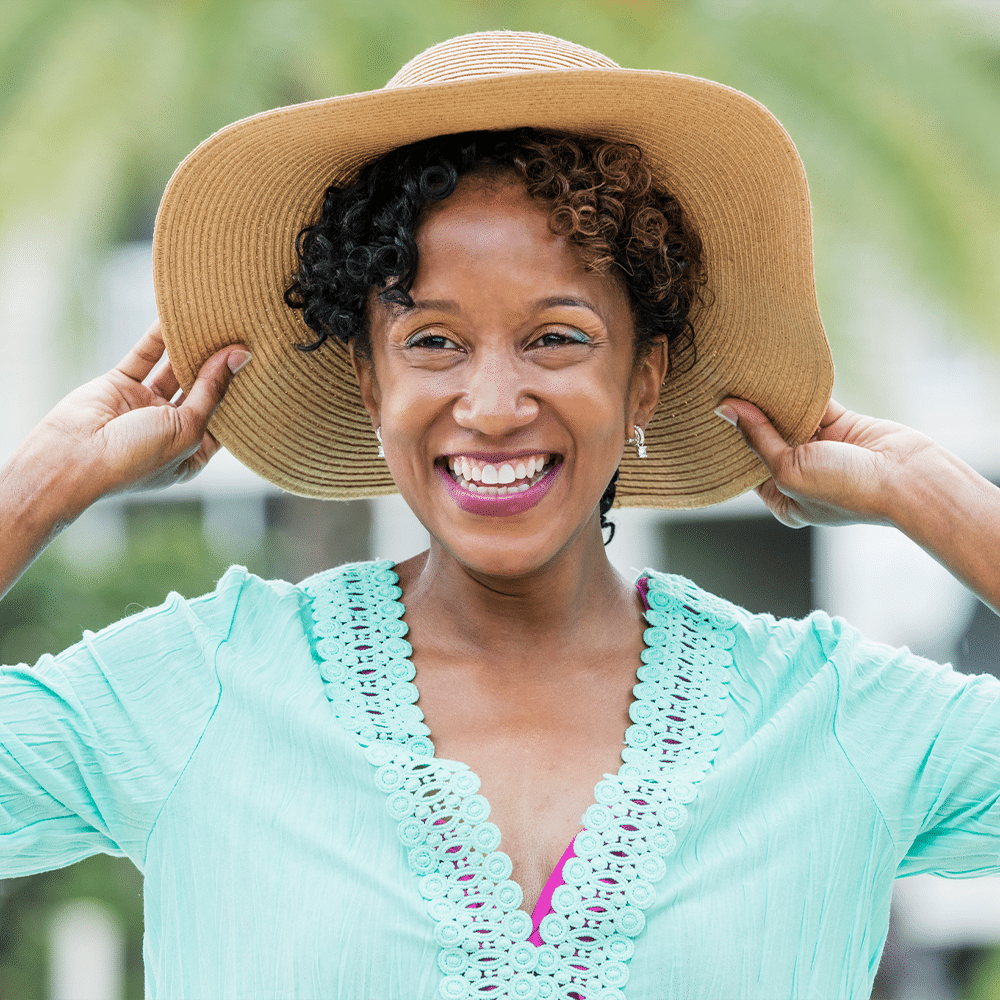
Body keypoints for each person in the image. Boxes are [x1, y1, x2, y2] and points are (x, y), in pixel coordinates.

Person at [1, 30, 998, 1000]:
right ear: (367, 378)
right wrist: (46, 480)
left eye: (556, 337)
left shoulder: (828, 719)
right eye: (432, 340)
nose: (489, 405)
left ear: (643, 378)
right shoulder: (202, 687)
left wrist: (931, 495)